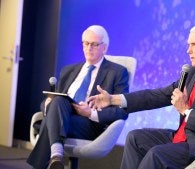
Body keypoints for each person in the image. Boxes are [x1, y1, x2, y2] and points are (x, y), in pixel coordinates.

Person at [88, 23, 195, 169]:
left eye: (193, 45)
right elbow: (158, 95)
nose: (188, 50)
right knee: (135, 138)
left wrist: (186, 110)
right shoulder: (194, 72)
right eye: (188, 45)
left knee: (156, 155)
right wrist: (113, 99)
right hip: (188, 136)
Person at [27, 25, 129, 169]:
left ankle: (54, 156)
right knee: (58, 101)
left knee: (49, 123)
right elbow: (56, 100)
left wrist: (91, 112)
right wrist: (48, 104)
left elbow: (122, 111)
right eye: (86, 43)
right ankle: (56, 157)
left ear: (104, 48)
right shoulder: (68, 70)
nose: (89, 48)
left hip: (89, 123)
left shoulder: (117, 72)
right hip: (63, 116)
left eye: (94, 44)